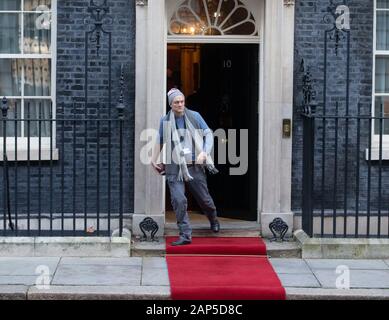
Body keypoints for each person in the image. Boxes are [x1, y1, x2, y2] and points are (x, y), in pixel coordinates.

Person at [151, 88, 220, 246]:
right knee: (178, 200)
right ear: (171, 104)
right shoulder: (165, 121)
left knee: (205, 200)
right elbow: (160, 141)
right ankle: (185, 234)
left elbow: (208, 133)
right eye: (177, 102)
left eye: (182, 101)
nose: (180, 104)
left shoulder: (195, 116)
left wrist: (204, 152)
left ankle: (213, 218)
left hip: (194, 165)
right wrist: (153, 160)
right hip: (174, 166)